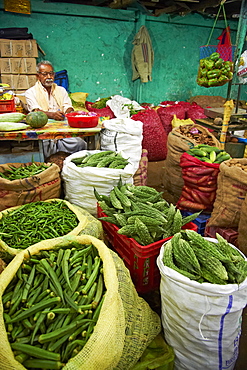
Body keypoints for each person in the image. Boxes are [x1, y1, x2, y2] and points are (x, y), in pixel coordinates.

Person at [25, 60, 87, 158]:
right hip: (43, 131)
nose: (49, 77)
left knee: (79, 144)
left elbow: (68, 106)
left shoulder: (61, 90)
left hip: (62, 129)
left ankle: (69, 163)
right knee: (43, 148)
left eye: (51, 74)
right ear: (38, 76)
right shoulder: (30, 92)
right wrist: (52, 115)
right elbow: (35, 111)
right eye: (45, 74)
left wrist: (68, 112)